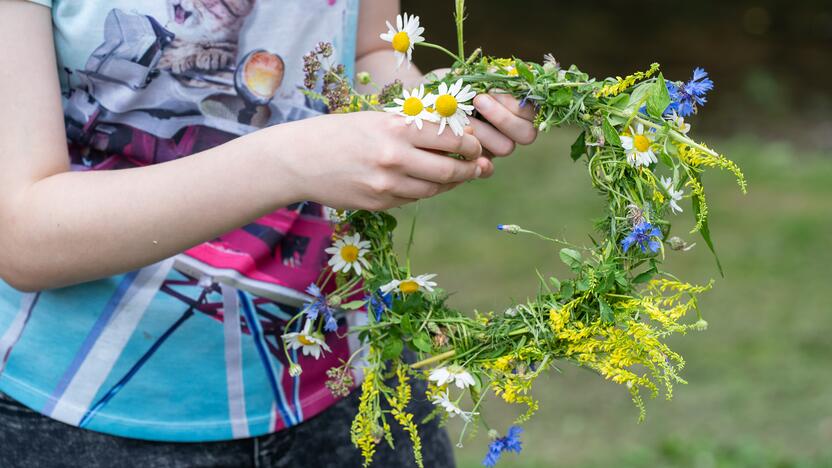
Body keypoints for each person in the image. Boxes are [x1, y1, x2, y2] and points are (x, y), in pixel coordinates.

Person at [0, 0, 537, 466]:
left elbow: (370, 52)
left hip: (351, 378)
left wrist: (436, 112)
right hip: (92, 417)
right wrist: (295, 160)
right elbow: (23, 236)